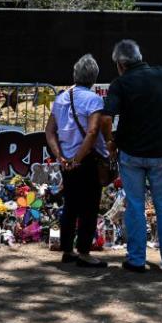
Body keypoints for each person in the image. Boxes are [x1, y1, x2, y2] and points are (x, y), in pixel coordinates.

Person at [101, 40, 162, 274]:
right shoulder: (161, 74)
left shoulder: (120, 83)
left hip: (132, 154)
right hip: (161, 152)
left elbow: (107, 119)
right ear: (139, 56)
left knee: (135, 206)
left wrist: (110, 142)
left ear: (120, 64)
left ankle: (136, 260)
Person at [45, 54, 110, 268]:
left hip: (66, 161)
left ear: (75, 73)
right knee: (90, 206)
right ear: (94, 77)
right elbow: (92, 132)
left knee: (70, 205)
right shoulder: (94, 99)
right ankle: (84, 252)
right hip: (87, 160)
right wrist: (77, 159)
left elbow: (50, 131)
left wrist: (61, 157)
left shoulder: (61, 98)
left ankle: (67, 250)